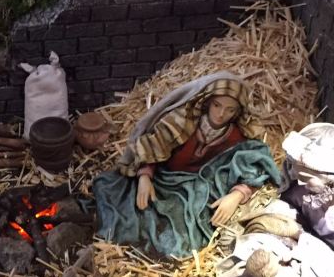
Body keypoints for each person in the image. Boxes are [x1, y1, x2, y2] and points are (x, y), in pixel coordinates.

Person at [91, 72, 281, 256]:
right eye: (217, 105)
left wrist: (237, 195)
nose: (221, 114)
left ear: (237, 112)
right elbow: (155, 145)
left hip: (197, 191)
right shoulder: (182, 122)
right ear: (207, 103)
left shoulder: (237, 136)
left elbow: (254, 163)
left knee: (179, 232)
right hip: (162, 179)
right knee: (112, 190)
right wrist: (145, 176)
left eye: (230, 110)